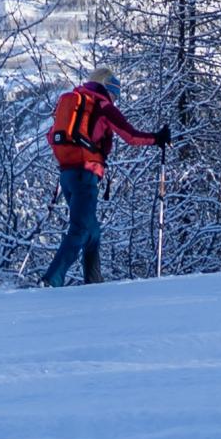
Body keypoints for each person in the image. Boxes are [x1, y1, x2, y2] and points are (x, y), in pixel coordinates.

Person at [43, 67, 170, 286]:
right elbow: (130, 135)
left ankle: (94, 283)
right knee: (80, 228)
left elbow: (51, 136)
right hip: (86, 173)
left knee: (92, 231)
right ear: (109, 90)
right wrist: (157, 138)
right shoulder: (102, 105)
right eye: (115, 95)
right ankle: (51, 280)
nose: (115, 100)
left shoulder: (75, 102)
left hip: (67, 174)